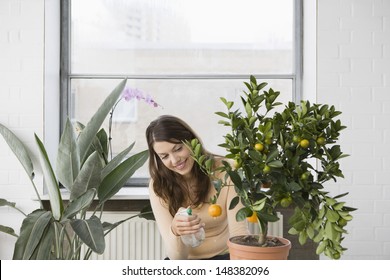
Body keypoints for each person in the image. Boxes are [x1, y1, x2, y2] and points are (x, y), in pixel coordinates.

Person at [145, 115, 249, 260]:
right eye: (164, 156)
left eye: (178, 149)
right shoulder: (158, 186)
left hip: (225, 257)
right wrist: (176, 232)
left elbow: (239, 233)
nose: (175, 160)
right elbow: (176, 258)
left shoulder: (226, 170)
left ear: (192, 141)